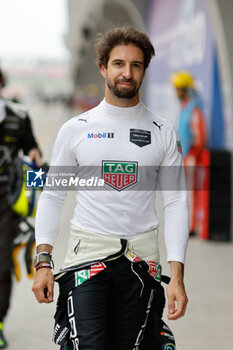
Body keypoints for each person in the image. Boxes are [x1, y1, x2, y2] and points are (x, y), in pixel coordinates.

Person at [32, 25, 189, 350]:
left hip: (141, 263)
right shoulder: (75, 129)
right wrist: (43, 261)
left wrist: (177, 276)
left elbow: (175, 203)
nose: (126, 72)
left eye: (136, 64)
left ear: (144, 70)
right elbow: (52, 196)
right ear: (103, 67)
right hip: (86, 262)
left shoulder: (163, 130)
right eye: (119, 63)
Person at [0, 67, 42, 348]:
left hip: (6, 203)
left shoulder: (19, 117)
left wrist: (35, 199)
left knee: (2, 266)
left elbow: (35, 157)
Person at [171, 71, 207, 235]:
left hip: (191, 157)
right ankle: (188, 223)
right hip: (184, 156)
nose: (176, 92)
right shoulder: (183, 108)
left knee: (192, 192)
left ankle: (192, 226)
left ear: (185, 89)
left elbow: (200, 136)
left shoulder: (194, 110)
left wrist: (193, 154)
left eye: (179, 89)